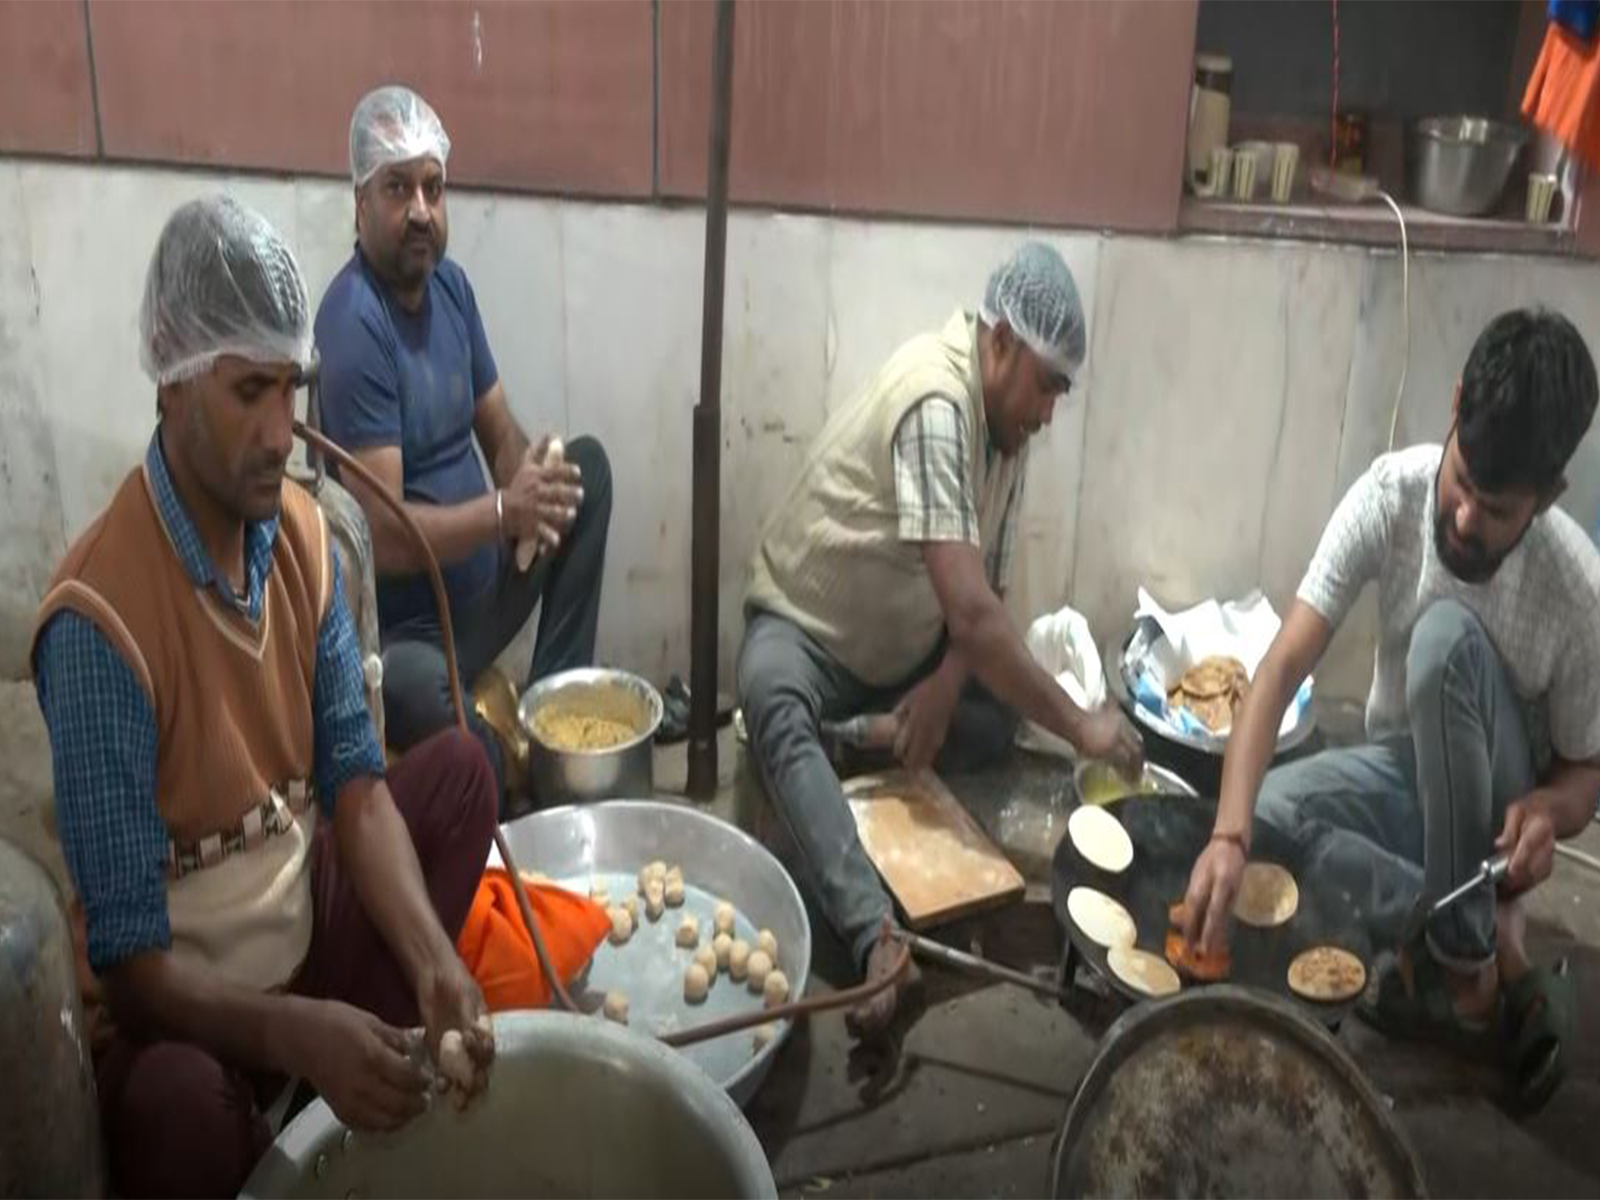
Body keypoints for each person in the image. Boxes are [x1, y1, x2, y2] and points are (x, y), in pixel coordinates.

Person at [31, 196, 499, 1197]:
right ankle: (289, 1113)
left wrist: (430, 962)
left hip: (298, 930)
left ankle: (347, 1092)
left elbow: (357, 788)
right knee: (178, 1109)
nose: (284, 431)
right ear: (172, 380)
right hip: (182, 1019)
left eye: (293, 389)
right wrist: (293, 1031)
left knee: (458, 771)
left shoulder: (301, 542)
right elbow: (129, 966)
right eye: (251, 391)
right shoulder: (100, 621)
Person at [1180, 308, 1600, 1109]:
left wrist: (1549, 807)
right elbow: (1279, 670)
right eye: (1464, 483)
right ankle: (1490, 940)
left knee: (1444, 643)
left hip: (1492, 821)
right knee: (1264, 808)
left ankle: (1466, 971)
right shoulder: (1392, 493)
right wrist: (1228, 838)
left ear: (1548, 497)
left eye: (1498, 509)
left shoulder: (1578, 593)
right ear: (1453, 409)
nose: (1466, 519)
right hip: (1408, 780)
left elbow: (1587, 774)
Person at [739, 243, 1145, 1037]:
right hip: (810, 636)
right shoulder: (937, 402)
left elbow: (983, 600)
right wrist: (1083, 726)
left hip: (904, 652)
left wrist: (947, 685)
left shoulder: (1007, 432)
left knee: (993, 710)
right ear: (999, 343)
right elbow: (972, 612)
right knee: (770, 695)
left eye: (1062, 392)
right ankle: (875, 934)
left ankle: (853, 750)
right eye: (1046, 385)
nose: (1049, 411)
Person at [314, 85, 612, 781]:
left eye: (433, 188)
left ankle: (551, 732)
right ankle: (510, 766)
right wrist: (504, 513)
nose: (420, 211)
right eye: (398, 189)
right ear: (361, 203)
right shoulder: (355, 325)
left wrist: (530, 475)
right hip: (406, 639)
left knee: (585, 475)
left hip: (479, 599)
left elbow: (499, 431)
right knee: (474, 763)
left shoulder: (452, 290)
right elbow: (381, 537)